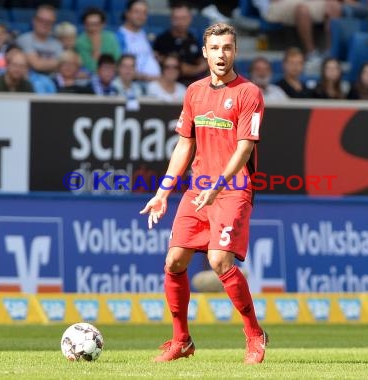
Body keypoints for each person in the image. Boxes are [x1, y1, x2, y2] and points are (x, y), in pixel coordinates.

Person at [139, 23, 268, 364]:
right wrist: (163, 191)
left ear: (235, 51)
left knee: (218, 260)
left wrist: (218, 186)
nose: (221, 54)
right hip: (198, 189)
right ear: (205, 52)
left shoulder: (249, 93)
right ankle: (181, 340)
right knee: (174, 260)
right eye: (215, 48)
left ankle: (254, 335)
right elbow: (184, 144)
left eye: (227, 48)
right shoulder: (194, 91)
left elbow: (244, 149)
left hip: (233, 188)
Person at [252, 0, 342, 63]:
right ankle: (311, 53)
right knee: (302, 10)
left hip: (306, 2)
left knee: (333, 5)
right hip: (275, 5)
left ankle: (330, 52)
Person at [153, 2, 208, 85]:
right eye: (176, 18)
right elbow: (178, 68)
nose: (180, 22)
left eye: (183, 18)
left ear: (190, 18)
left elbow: (200, 58)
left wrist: (205, 64)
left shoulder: (191, 37)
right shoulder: (163, 40)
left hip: (195, 83)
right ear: (171, 19)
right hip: (176, 84)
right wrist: (199, 68)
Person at [116, 0, 161, 81]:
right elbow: (120, 67)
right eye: (137, 12)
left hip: (154, 84)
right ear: (127, 13)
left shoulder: (146, 35)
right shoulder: (119, 37)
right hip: (135, 84)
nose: (141, 16)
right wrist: (145, 77)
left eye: (144, 13)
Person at [16, 4, 63, 75]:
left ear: (53, 24)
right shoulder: (24, 39)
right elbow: (36, 65)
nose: (44, 24)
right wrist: (57, 63)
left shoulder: (57, 44)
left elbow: (63, 67)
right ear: (34, 20)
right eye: (41, 20)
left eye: (48, 22)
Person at [75, 7, 121, 73]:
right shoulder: (80, 42)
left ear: (103, 24)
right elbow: (91, 68)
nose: (93, 28)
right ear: (84, 25)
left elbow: (118, 62)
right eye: (89, 24)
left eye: (96, 24)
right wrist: (96, 49)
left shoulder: (111, 38)